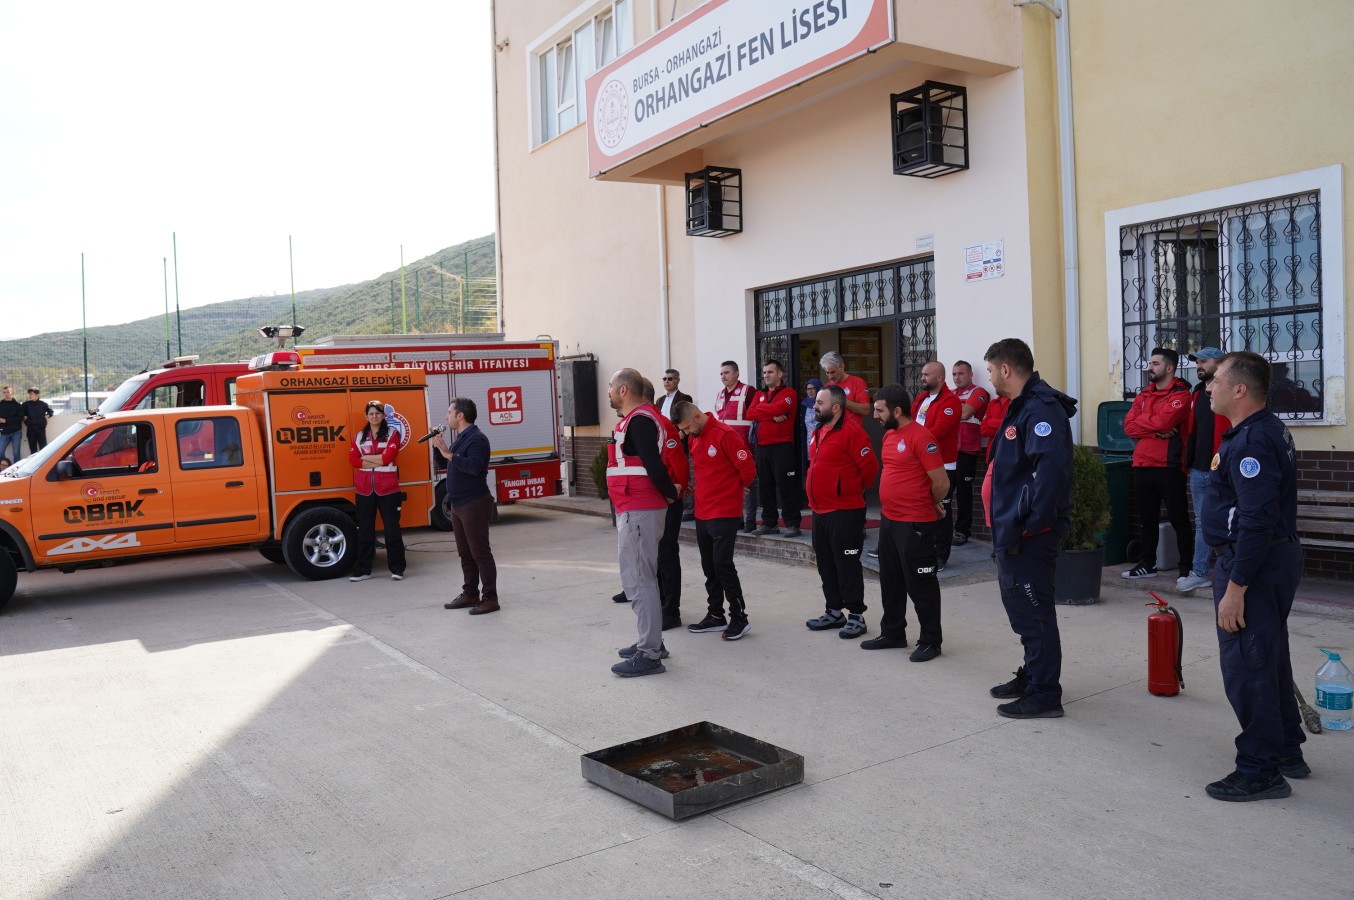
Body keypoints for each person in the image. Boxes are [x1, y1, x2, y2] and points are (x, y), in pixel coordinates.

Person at [1201, 351, 1306, 801]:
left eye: (1216, 379)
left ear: (1239, 389)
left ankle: (1260, 769)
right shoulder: (1259, 431)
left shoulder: (1253, 443)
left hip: (1253, 565)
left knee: (1249, 665)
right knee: (1269, 656)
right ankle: (1286, 749)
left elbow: (1257, 520)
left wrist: (1236, 588)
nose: (1208, 386)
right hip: (1267, 559)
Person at [984, 338, 1075, 718]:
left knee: (1034, 611)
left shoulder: (1039, 409)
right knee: (1023, 609)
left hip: (1028, 535)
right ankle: (1033, 674)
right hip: (1014, 530)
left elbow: (1050, 473)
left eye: (990, 370)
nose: (989, 378)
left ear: (1006, 369)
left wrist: (1030, 526)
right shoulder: (1021, 406)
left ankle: (1044, 694)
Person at [866, 384, 949, 660]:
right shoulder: (889, 434)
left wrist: (928, 503)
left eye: (879, 410)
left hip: (915, 523)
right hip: (889, 521)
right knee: (890, 580)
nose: (875, 415)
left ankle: (930, 641)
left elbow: (941, 483)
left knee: (920, 583)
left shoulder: (921, 437)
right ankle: (893, 633)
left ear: (897, 411)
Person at [606, 369, 681, 676]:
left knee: (639, 580)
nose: (608, 391)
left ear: (624, 390)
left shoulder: (639, 420)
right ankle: (652, 642)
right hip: (636, 507)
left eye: (611, 386)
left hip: (639, 508)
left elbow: (653, 463)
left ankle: (649, 653)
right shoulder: (639, 419)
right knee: (641, 577)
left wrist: (668, 493)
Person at [671, 400, 756, 640]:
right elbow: (708, 472)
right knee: (709, 567)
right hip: (703, 512)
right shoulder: (696, 437)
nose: (686, 433)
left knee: (722, 565)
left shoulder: (724, 434)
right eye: (684, 430)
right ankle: (716, 615)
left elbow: (747, 468)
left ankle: (739, 617)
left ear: (697, 416)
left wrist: (736, 487)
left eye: (687, 428)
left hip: (724, 512)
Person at [804, 383, 879, 639]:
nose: (815, 405)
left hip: (845, 511)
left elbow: (869, 470)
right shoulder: (818, 430)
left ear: (836, 407)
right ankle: (834, 611)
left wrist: (845, 489)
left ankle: (857, 616)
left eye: (820, 403)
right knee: (825, 564)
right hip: (820, 510)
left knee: (846, 564)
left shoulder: (853, 432)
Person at [1122, 347, 1194, 581]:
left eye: (1154, 364)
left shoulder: (1182, 394)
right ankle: (1147, 564)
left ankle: (1186, 568)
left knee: (1179, 519)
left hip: (1169, 465)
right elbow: (1128, 426)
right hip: (1142, 464)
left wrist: (1151, 426)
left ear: (1169, 368)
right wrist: (1157, 430)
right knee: (1147, 520)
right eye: (1149, 363)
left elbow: (1166, 422)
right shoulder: (1144, 394)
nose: (1149, 367)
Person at [433, 398, 499, 615]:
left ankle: (490, 598)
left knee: (480, 553)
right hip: (458, 503)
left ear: (460, 415)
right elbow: (446, 464)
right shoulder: (461, 438)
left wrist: (449, 453)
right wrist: (438, 448)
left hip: (474, 503)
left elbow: (474, 467)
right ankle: (470, 593)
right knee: (465, 553)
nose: (446, 416)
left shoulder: (477, 439)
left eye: (449, 412)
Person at [1179, 348, 1229, 594]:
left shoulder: (1230, 390)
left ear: (1219, 363)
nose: (1199, 365)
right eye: (1197, 361)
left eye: (1204, 361)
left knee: (1229, 521)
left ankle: (1232, 573)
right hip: (1199, 470)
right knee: (1202, 522)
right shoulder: (1197, 392)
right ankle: (1199, 573)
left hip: (1224, 469)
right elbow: (1192, 429)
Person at [347, 399, 407, 582]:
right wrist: (378, 459)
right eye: (371, 413)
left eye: (377, 413)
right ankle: (363, 570)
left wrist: (368, 459)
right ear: (366, 416)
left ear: (383, 415)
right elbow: (353, 460)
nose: (374, 416)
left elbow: (390, 457)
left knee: (392, 530)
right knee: (364, 530)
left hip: (388, 488)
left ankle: (397, 568)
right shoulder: (359, 436)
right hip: (365, 489)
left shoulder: (392, 433)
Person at [912, 361, 961, 568]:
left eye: (926, 374)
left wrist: (913, 439)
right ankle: (920, 549)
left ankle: (941, 555)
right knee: (920, 507)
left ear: (939, 378)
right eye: (922, 374)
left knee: (942, 509)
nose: (922, 377)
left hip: (943, 465)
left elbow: (938, 431)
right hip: (918, 462)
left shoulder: (951, 402)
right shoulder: (921, 399)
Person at [747, 359, 802, 537]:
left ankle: (792, 524)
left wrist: (763, 411)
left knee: (786, 486)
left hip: (782, 447)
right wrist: (772, 414)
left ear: (779, 374)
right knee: (765, 486)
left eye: (770, 372)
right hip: (762, 448)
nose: (766, 376)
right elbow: (750, 413)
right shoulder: (760, 394)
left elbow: (780, 407)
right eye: (764, 373)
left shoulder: (789, 393)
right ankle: (769, 523)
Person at [713, 360, 758, 533]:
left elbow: (757, 413)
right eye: (721, 374)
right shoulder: (719, 395)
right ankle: (736, 519)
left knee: (750, 483)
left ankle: (751, 521)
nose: (723, 376)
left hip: (744, 445)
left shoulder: (748, 391)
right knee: (731, 483)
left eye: (727, 373)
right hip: (725, 448)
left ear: (737, 374)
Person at [951, 361, 990, 547]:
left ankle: (962, 531)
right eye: (954, 374)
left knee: (964, 492)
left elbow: (966, 413)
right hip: (949, 450)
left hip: (967, 449)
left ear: (970, 374)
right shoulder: (949, 394)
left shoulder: (979, 392)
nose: (957, 377)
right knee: (945, 491)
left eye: (961, 373)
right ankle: (943, 529)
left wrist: (948, 411)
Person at [819, 351, 871, 421]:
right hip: (834, 430)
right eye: (827, 373)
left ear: (842, 366)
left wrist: (843, 401)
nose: (830, 376)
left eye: (833, 372)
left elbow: (866, 410)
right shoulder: (827, 387)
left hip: (853, 431)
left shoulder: (858, 382)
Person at [800, 377, 823, 477]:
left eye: (813, 388)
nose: (810, 391)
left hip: (822, 441)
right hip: (808, 442)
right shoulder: (803, 405)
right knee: (810, 471)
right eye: (808, 389)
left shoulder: (825, 404)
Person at [21, 389, 54, 454]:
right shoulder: (25, 404)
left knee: (44, 449)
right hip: (31, 429)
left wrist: (48, 415)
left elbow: (50, 411)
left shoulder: (43, 404)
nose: (30, 396)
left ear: (37, 395)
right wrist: (25, 419)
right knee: (33, 450)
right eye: (29, 394)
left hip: (41, 429)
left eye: (31, 394)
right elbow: (21, 414)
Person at [0, 386, 23, 462]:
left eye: (8, 392)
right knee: (0, 453)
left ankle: (17, 472)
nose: (6, 394)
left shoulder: (17, 405)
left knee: (16, 453)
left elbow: (20, 418)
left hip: (16, 432)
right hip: (4, 432)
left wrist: (5, 421)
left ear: (12, 392)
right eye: (4, 392)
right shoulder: (0, 404)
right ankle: (5, 467)